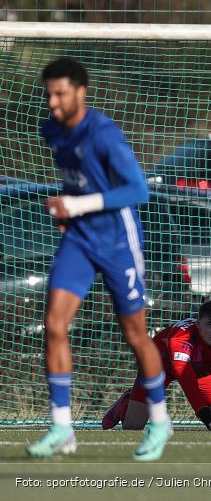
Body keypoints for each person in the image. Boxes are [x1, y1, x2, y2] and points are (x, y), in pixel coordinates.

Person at [26, 57, 172, 461]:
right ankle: (61, 427)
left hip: (117, 243)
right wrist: (65, 209)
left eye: (60, 94)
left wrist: (77, 204)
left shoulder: (104, 133)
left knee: (135, 335)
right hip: (79, 240)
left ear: (80, 92)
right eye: (49, 94)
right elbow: (75, 178)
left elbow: (138, 190)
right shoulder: (51, 130)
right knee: (53, 324)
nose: (53, 102)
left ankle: (159, 420)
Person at [102, 300, 211, 431]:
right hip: (159, 365)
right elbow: (187, 382)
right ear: (199, 324)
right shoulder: (180, 339)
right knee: (133, 426)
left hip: (203, 372)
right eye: (210, 324)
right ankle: (127, 401)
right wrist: (208, 419)